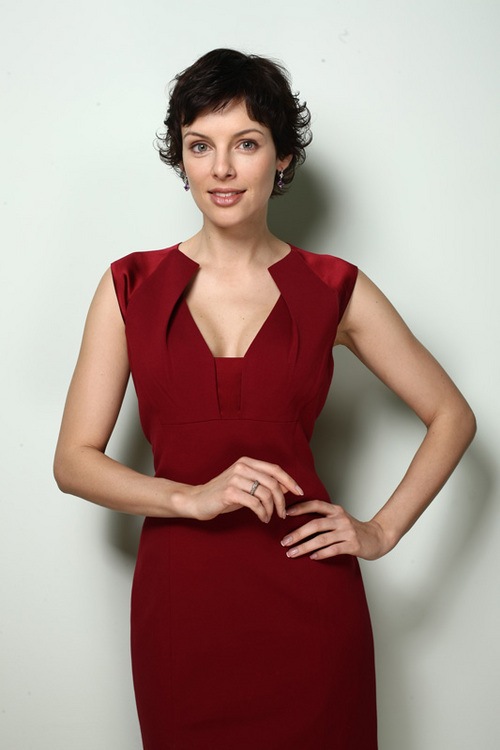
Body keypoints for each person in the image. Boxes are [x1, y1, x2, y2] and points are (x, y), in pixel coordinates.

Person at [54, 48, 476, 750]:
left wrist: (380, 531)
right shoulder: (130, 285)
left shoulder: (334, 287)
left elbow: (451, 416)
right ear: (182, 158)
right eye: (201, 145)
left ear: (282, 158)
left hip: (309, 596)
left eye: (245, 143)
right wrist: (188, 498)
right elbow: (73, 461)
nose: (221, 168)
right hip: (182, 604)